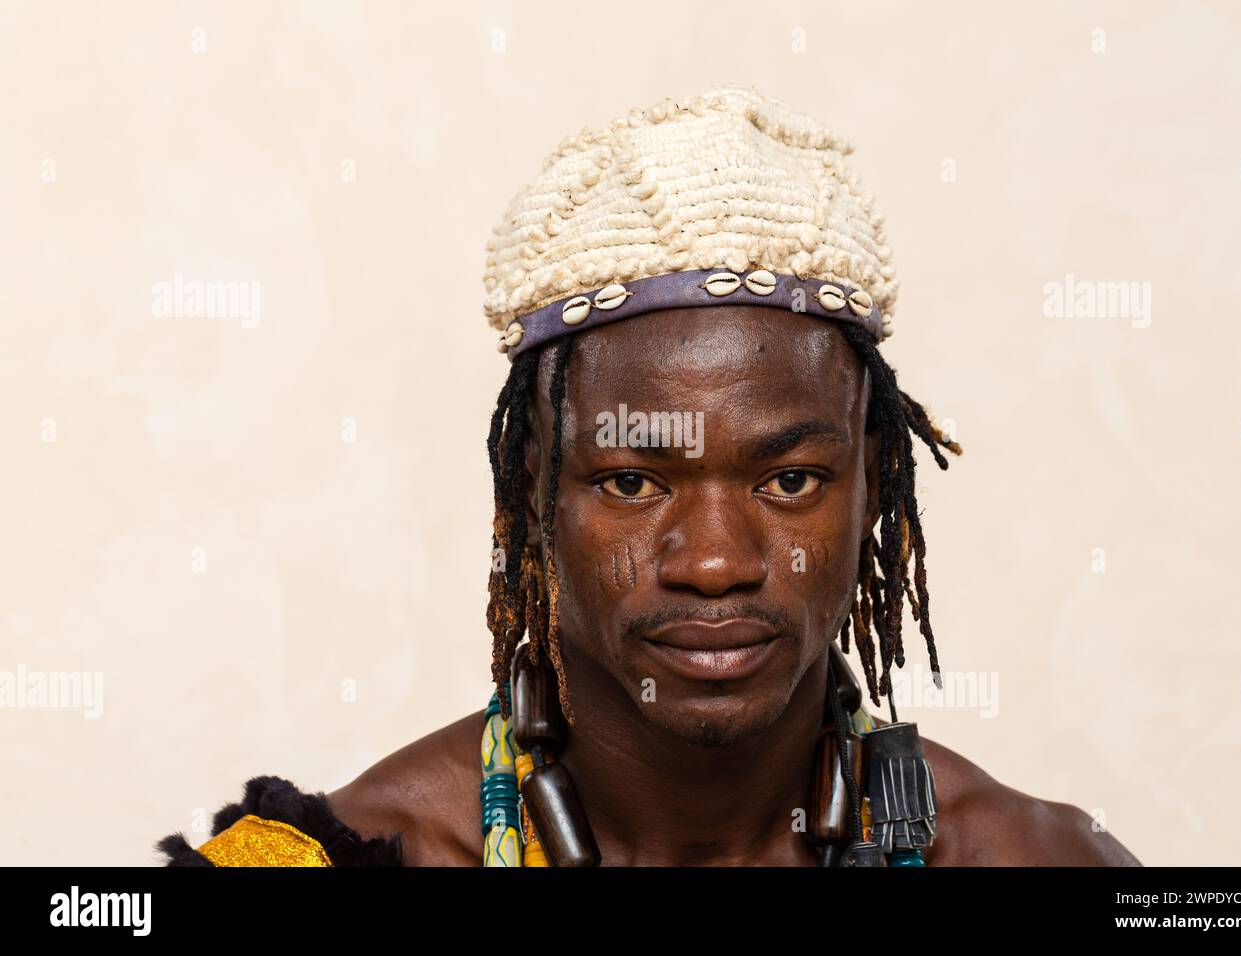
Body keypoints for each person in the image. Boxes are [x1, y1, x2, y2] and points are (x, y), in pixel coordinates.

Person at [156, 85, 1140, 867]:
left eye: (789, 480)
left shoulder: (1035, 857)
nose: (713, 561)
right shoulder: (330, 860)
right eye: (633, 481)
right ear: (531, 497)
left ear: (873, 488)